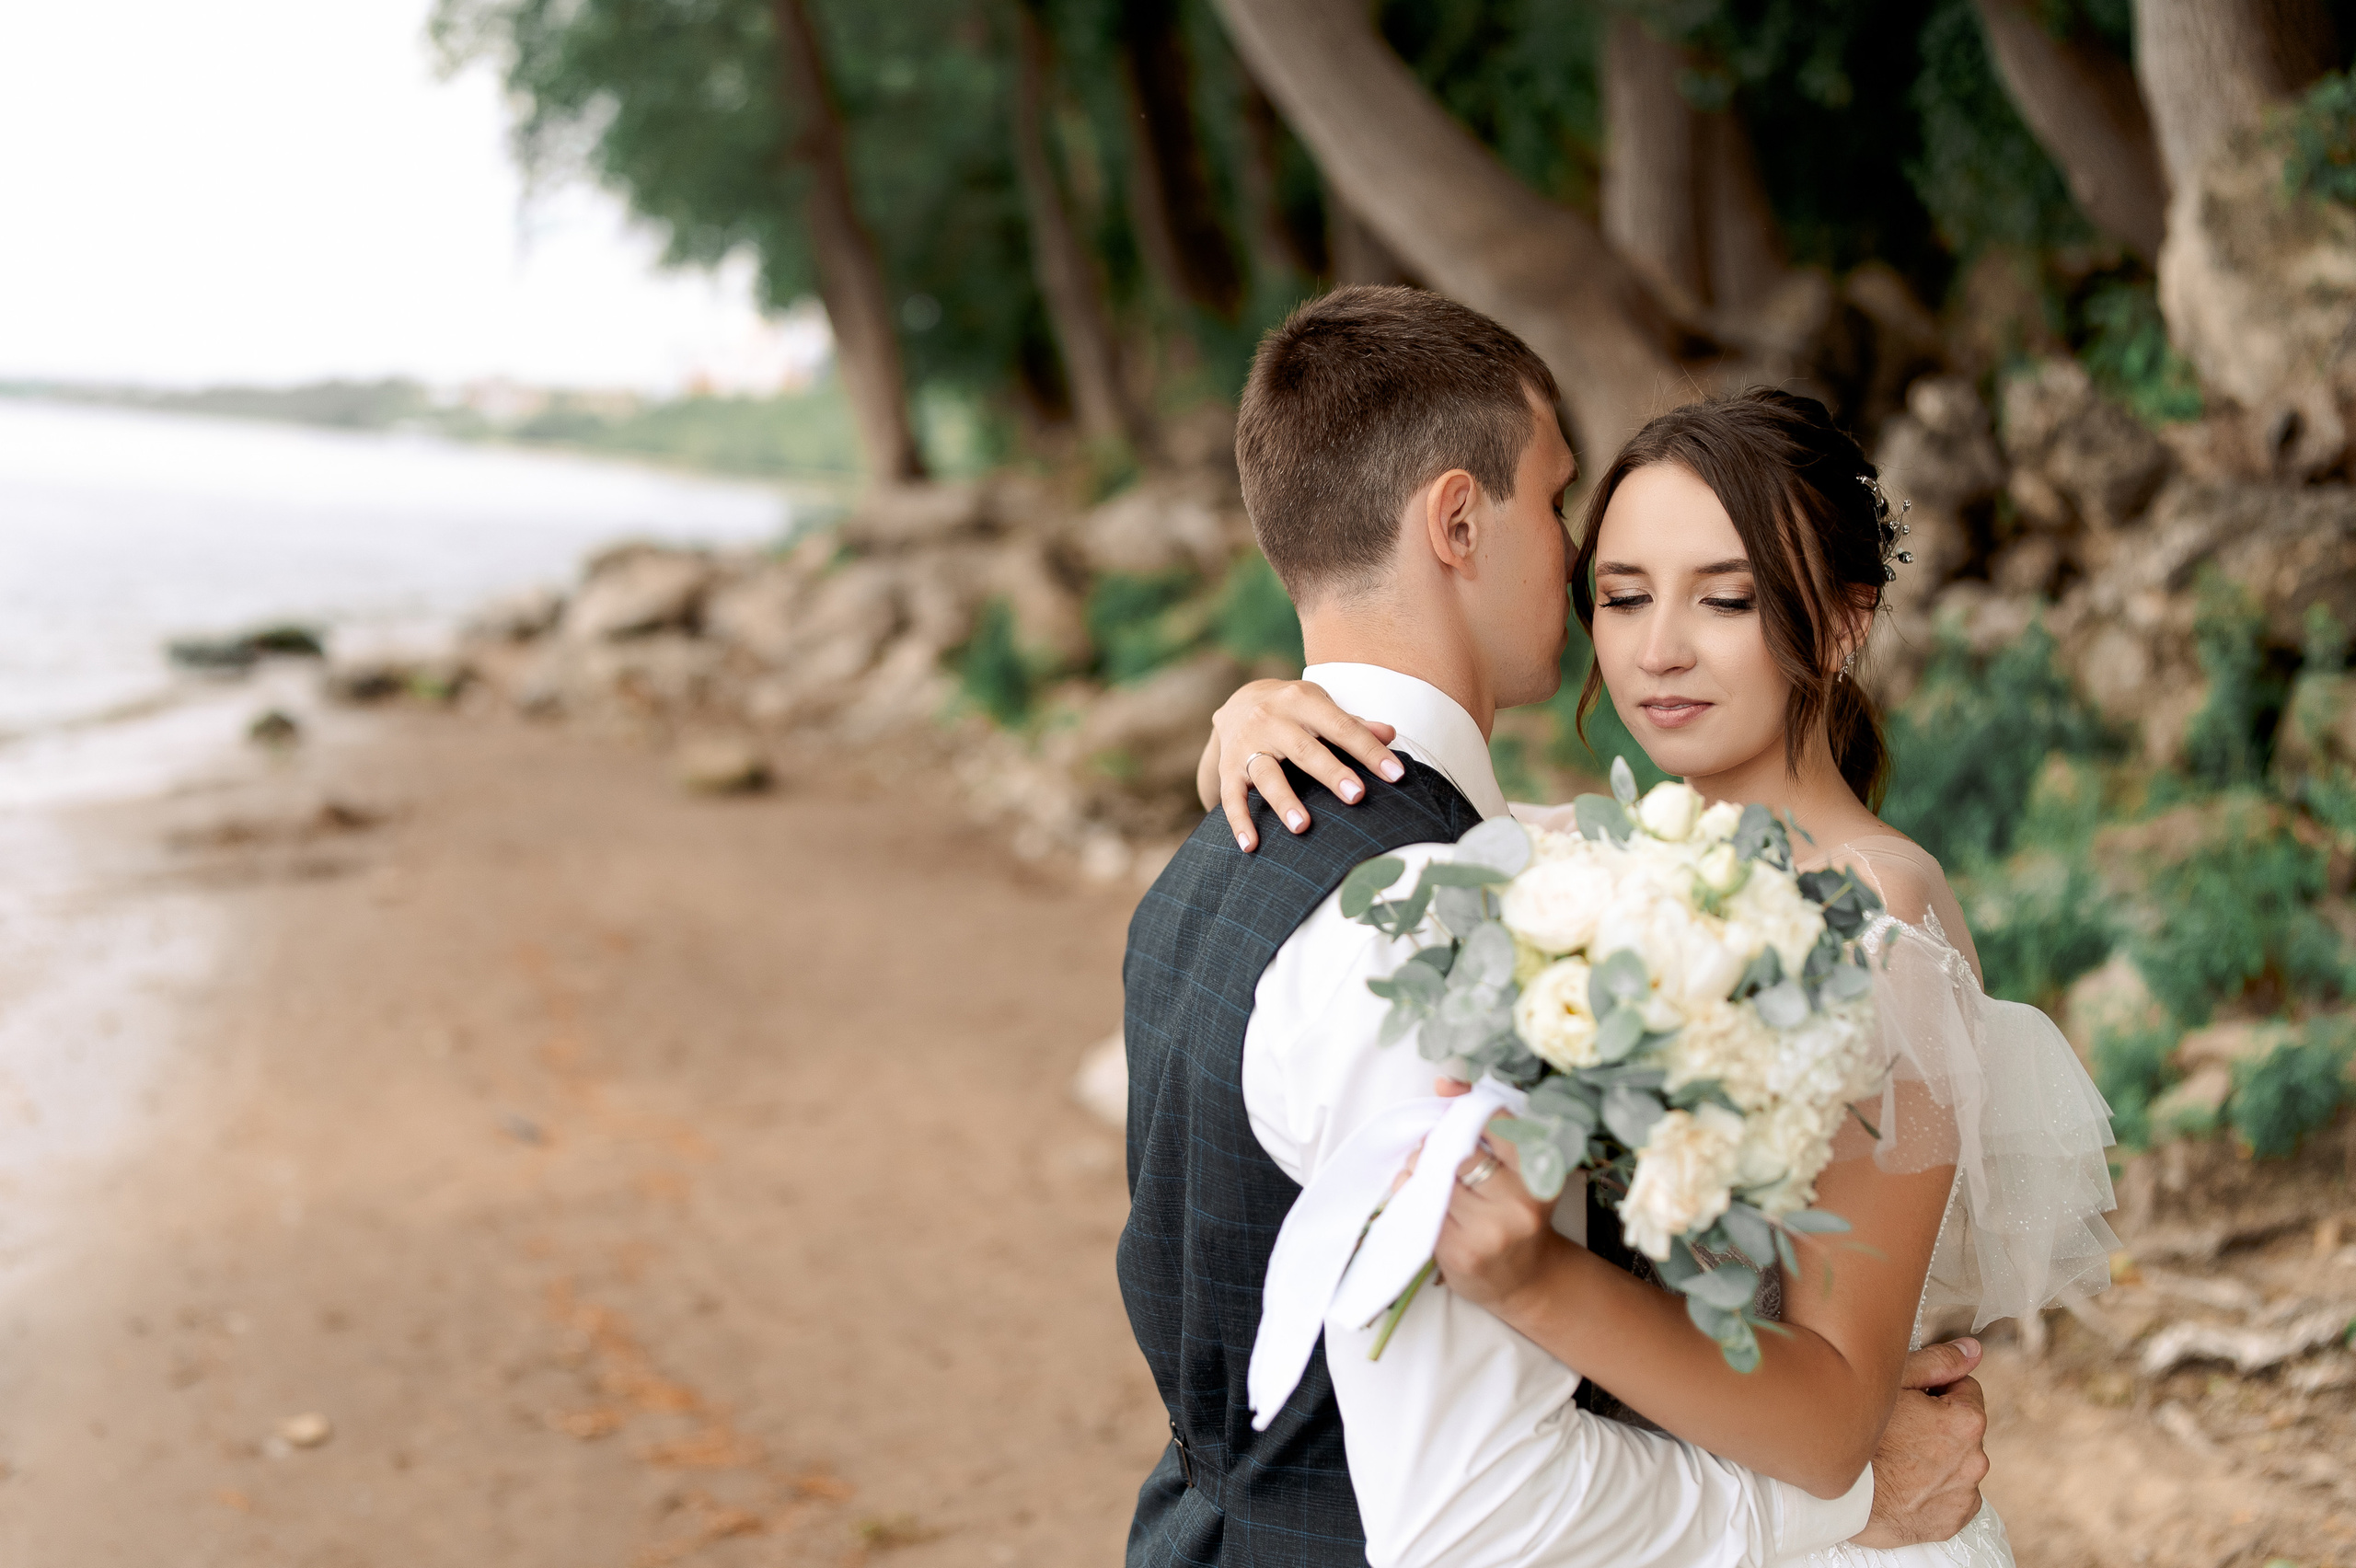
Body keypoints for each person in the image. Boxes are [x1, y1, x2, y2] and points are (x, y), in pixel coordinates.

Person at [1118, 284, 2006, 1568]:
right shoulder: (1543, 869)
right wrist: (1255, 713)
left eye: (1727, 597)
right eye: (1623, 589)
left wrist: (1543, 1282)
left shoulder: (1865, 918)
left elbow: (1823, 1408)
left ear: (1842, 618)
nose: (1656, 651)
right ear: (1462, 525)